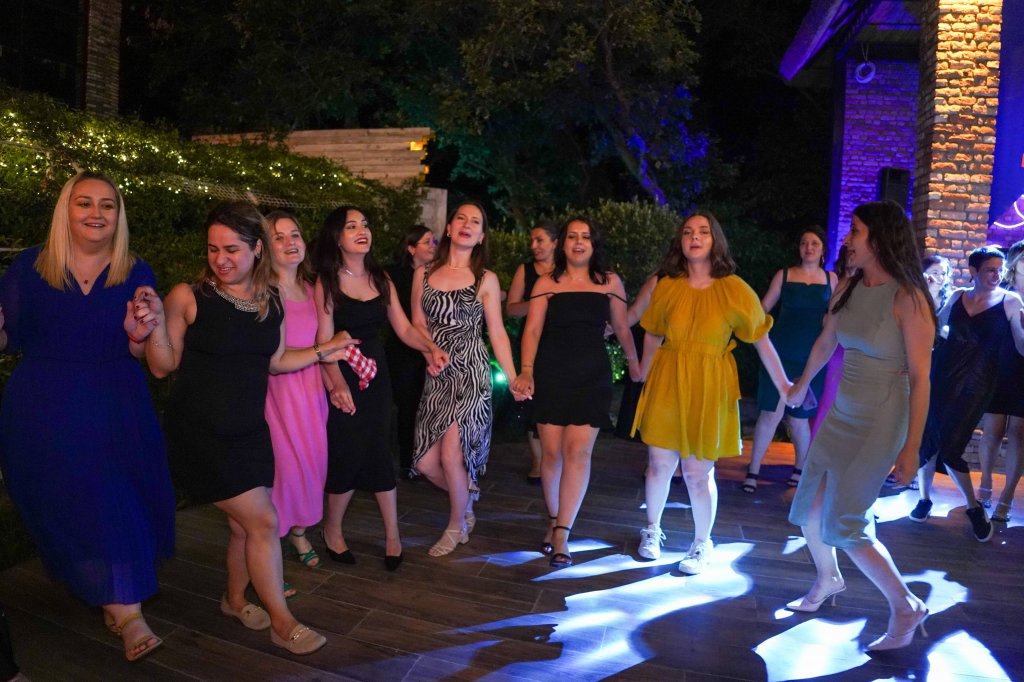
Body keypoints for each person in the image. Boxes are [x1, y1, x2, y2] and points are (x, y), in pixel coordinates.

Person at [141, 201, 354, 655]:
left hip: (250, 432)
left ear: (257, 249)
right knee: (264, 520)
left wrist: (324, 350)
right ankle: (282, 621)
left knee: (243, 528)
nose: (220, 259)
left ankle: (234, 600)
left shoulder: (271, 302)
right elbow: (161, 366)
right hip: (200, 433)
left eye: (232, 249)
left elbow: (276, 362)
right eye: (213, 249)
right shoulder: (188, 296)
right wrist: (154, 324)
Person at [0, 171, 175, 662]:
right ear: (66, 210)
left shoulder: (135, 271)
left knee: (117, 497)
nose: (96, 213)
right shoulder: (28, 268)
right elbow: (6, 339)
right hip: (44, 405)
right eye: (84, 203)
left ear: (119, 215)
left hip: (116, 400)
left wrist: (138, 334)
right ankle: (118, 602)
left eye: (107, 205)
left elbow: (141, 350)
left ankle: (124, 606)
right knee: (72, 502)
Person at [786, 200, 935, 652]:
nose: (847, 239)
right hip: (842, 412)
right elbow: (825, 342)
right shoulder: (848, 286)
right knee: (811, 509)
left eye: (855, 231)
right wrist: (800, 385)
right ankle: (828, 578)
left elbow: (921, 377)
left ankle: (906, 605)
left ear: (879, 239)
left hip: (882, 418)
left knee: (845, 523)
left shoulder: (908, 297)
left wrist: (911, 448)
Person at [631, 211, 791, 570]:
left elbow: (761, 340)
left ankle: (702, 543)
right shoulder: (668, 285)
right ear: (680, 242)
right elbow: (653, 332)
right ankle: (652, 530)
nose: (695, 237)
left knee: (697, 473)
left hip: (710, 384)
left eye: (703, 231)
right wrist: (642, 369)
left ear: (715, 240)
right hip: (668, 379)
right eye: (688, 232)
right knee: (658, 465)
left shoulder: (733, 288)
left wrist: (784, 385)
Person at [314, 206, 448, 571]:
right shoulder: (326, 282)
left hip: (377, 375)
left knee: (379, 449)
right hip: (343, 372)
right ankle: (332, 530)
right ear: (336, 237)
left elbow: (404, 329)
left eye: (365, 225)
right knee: (347, 452)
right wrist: (338, 385)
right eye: (351, 226)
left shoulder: (381, 278)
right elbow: (323, 344)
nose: (362, 231)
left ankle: (393, 536)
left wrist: (431, 348)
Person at [513, 217, 641, 568]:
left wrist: (634, 363)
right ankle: (555, 520)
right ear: (562, 244)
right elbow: (532, 330)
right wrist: (526, 370)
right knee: (552, 454)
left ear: (594, 244)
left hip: (592, 375)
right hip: (551, 373)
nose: (579, 242)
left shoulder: (609, 281)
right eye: (572, 236)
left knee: (578, 453)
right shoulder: (546, 282)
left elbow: (621, 326)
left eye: (586, 237)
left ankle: (562, 533)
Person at [411, 201, 527, 556]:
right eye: (460, 218)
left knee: (452, 456)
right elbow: (417, 324)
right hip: (437, 372)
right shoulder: (423, 273)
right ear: (449, 229)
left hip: (472, 371)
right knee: (426, 463)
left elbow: (497, 333)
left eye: (475, 221)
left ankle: (455, 525)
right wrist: (429, 353)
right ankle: (467, 501)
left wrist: (514, 377)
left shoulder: (485, 278)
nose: (466, 224)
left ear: (481, 236)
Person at [910, 245, 1024, 541]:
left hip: (978, 383)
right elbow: (936, 330)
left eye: (1000, 270)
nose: (997, 275)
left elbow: (1020, 346)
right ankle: (924, 499)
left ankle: (974, 507)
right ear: (973, 271)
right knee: (928, 438)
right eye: (990, 270)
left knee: (951, 447)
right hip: (943, 376)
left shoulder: (1010, 301)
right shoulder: (959, 296)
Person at [744, 227, 836, 493]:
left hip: (812, 357)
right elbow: (762, 309)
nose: (809, 247)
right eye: (804, 243)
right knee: (770, 414)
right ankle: (753, 471)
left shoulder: (831, 279)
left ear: (822, 249)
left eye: (814, 243)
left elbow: (836, 316)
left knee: (798, 418)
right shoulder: (783, 275)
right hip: (779, 353)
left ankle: (799, 470)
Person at [262, 211, 327, 573]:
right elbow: (276, 360)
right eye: (279, 237)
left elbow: (325, 346)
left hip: (311, 393)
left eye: (295, 235)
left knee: (312, 466)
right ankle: (269, 558)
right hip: (279, 395)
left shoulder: (313, 289)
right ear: (265, 247)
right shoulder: (265, 293)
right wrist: (325, 349)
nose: (290, 243)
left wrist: (336, 383)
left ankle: (299, 533)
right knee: (283, 474)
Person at [505, 221, 558, 484]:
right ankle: (537, 461)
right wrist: (537, 302)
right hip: (531, 340)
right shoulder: (525, 271)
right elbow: (511, 309)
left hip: (559, 342)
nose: (534, 246)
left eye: (540, 240)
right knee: (531, 399)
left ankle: (555, 457)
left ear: (555, 243)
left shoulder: (566, 271)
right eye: (532, 241)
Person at [977, 240, 1024, 522]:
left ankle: (1007, 497)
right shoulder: (1001, 292)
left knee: (1019, 433)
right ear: (1015, 262)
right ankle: (985, 483)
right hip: (998, 365)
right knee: (992, 429)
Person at [386, 225, 437, 480]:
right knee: (408, 406)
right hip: (403, 350)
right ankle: (409, 461)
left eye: (434, 241)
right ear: (411, 248)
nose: (433, 246)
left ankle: (429, 458)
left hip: (432, 347)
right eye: (427, 242)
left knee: (429, 406)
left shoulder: (436, 274)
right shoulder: (394, 276)